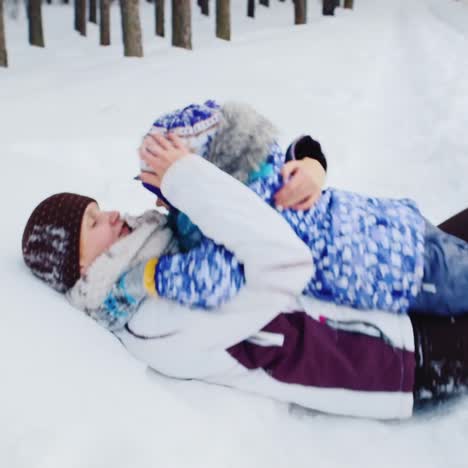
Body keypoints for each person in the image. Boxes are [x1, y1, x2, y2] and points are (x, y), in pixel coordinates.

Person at [21, 138, 468, 419]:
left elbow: (258, 210)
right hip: (401, 356)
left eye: (100, 207)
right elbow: (283, 263)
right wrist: (187, 178)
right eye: (94, 222)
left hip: (388, 281)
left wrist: (307, 165)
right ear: (79, 267)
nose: (113, 214)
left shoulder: (159, 242)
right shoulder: (151, 317)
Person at [136, 101, 468, 320]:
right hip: (403, 225)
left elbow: (218, 277)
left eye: (162, 191)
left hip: (409, 273)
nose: (157, 203)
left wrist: (153, 275)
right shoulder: (263, 172)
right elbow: (301, 150)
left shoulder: (237, 217)